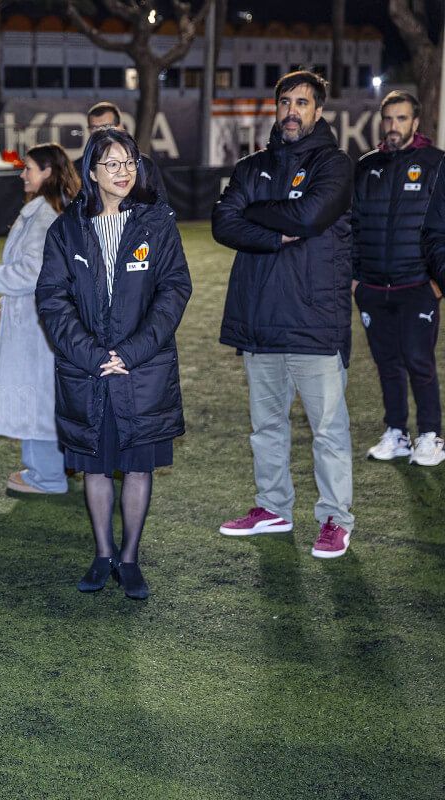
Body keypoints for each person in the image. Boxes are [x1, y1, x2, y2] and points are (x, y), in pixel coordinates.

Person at [36, 128, 191, 600]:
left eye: (130, 163)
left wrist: (131, 353)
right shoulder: (66, 229)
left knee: (138, 467)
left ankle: (130, 559)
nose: (124, 172)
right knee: (98, 468)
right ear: (92, 172)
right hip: (90, 373)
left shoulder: (157, 222)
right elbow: (52, 299)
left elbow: (174, 291)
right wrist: (94, 356)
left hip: (142, 371)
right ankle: (103, 554)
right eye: (113, 164)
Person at [212, 71, 354, 558]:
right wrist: (276, 232)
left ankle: (336, 518)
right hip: (260, 320)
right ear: (276, 108)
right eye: (285, 102)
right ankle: (273, 507)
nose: (292, 111)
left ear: (318, 111)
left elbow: (311, 216)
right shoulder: (252, 166)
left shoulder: (335, 165)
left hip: (314, 320)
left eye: (302, 103)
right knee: (266, 428)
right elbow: (223, 222)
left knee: (328, 432)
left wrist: (258, 213)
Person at [354, 91, 445, 467]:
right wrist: (355, 280)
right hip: (373, 287)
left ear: (416, 123)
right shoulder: (365, 165)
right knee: (387, 363)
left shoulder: (436, 163)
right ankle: (397, 433)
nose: (394, 126)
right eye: (388, 118)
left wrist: (438, 282)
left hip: (417, 285)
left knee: (418, 360)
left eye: (402, 119)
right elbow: (354, 225)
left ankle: (431, 435)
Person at [0, 143, 80, 496]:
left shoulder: (44, 216)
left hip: (38, 323)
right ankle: (42, 468)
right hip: (35, 316)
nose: (22, 173)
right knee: (37, 395)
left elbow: (34, 271)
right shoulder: (48, 211)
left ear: (46, 172)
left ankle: (48, 475)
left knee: (38, 398)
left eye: (28, 167)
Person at [81, 102, 168, 204]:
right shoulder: (78, 168)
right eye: (94, 128)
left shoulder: (145, 165)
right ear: (93, 174)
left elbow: (161, 203)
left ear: (120, 126)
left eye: (107, 126)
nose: (123, 172)